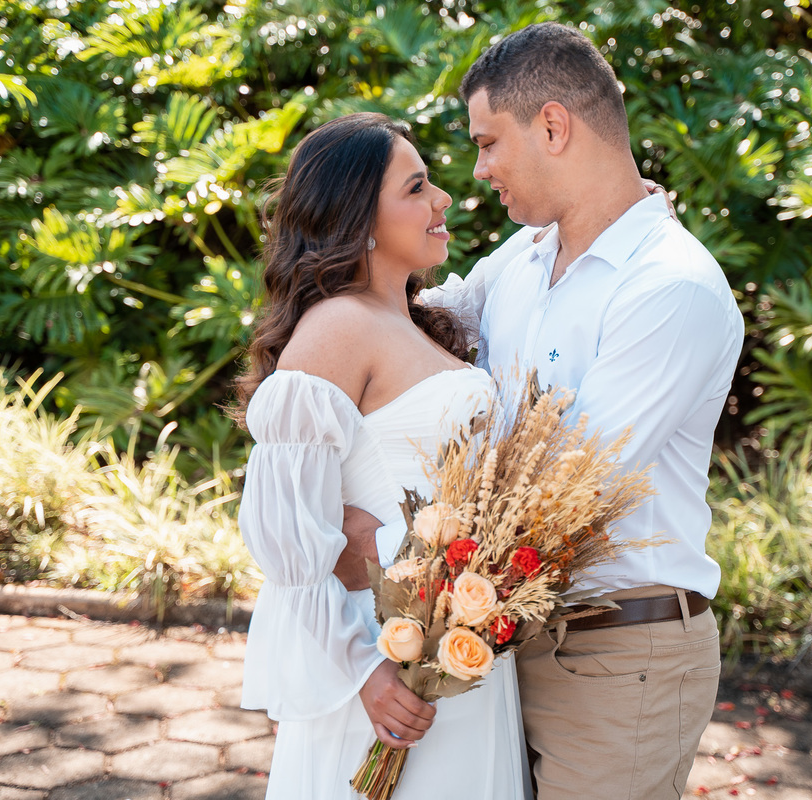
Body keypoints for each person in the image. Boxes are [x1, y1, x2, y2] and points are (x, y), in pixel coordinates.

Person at [338, 23, 744, 799]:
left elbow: (561, 495)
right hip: (494, 642)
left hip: (618, 657)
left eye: (489, 143)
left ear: (553, 126)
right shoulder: (523, 259)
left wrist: (376, 543)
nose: (479, 170)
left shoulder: (670, 287)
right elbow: (406, 336)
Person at [233, 112, 530, 799]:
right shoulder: (339, 326)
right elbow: (288, 534)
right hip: (386, 665)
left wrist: (629, 206)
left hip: (460, 647)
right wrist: (365, 672)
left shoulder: (421, 321)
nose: (443, 199)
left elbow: (523, 256)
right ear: (358, 217)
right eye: (417, 187)